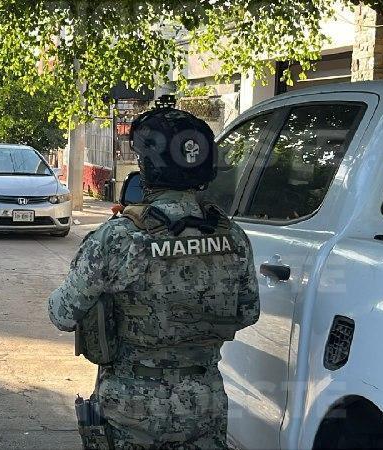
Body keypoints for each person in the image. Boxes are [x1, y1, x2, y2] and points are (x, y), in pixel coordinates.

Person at [48, 107, 260, 449]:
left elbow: (62, 313)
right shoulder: (232, 236)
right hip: (204, 401)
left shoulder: (119, 237)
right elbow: (248, 312)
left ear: (148, 167)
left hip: (132, 407)